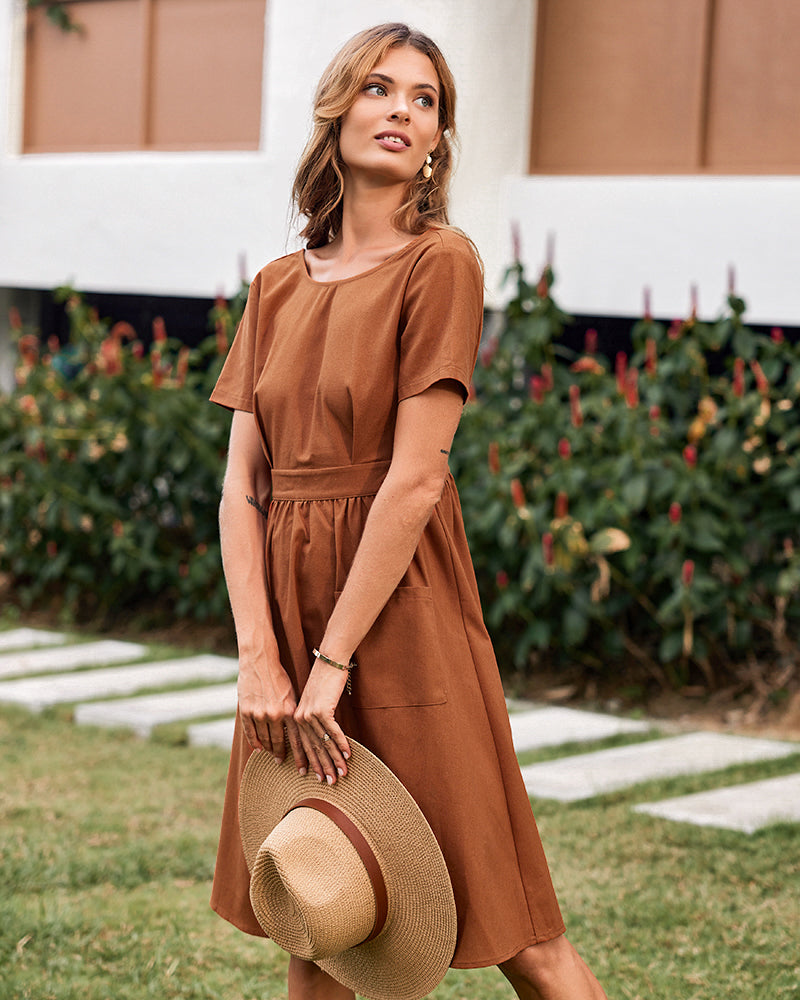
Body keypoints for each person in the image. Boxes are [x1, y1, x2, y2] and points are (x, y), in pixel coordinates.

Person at [209, 21, 608, 1000]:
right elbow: (240, 485)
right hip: (292, 617)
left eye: (424, 100)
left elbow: (416, 478)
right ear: (338, 109)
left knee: (512, 918)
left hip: (401, 614)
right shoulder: (272, 288)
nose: (400, 110)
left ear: (436, 142)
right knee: (326, 909)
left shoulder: (442, 264)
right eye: (380, 89)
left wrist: (330, 662)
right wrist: (263, 657)